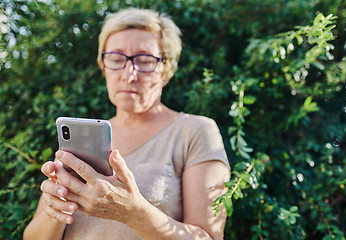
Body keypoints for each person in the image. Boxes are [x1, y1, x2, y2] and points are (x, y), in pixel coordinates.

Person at [23, 8, 230, 240]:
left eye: (144, 61)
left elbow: (209, 237)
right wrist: (56, 209)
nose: (129, 74)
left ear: (166, 69)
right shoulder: (83, 138)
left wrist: (133, 213)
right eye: (116, 59)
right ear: (104, 67)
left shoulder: (195, 131)